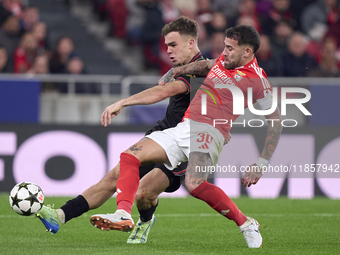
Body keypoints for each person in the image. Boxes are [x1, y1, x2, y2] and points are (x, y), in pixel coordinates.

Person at [96, 25, 282, 248]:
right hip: (184, 126)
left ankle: (245, 223)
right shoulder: (224, 59)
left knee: (194, 185)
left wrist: (261, 163)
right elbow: (206, 64)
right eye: (224, 46)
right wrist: (176, 71)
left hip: (211, 133)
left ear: (247, 52)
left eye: (230, 48)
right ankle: (123, 213)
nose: (224, 51)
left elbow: (276, 123)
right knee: (129, 155)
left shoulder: (258, 82)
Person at [35, 16, 210, 244]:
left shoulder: (200, 73)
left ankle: (144, 221)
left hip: (185, 145)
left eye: (173, 45)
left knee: (144, 195)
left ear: (190, 43)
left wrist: (123, 101)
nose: (168, 50)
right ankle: (60, 215)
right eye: (166, 45)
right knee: (114, 177)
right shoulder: (184, 67)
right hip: (163, 134)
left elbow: (162, 92)